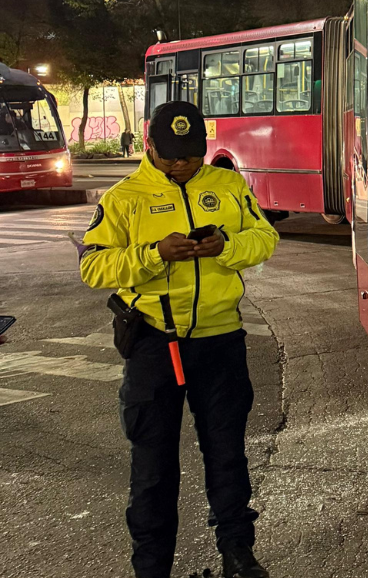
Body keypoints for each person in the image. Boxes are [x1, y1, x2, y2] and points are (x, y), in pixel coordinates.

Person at [80, 101, 279, 578]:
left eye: (189, 156)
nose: (179, 165)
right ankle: (151, 569)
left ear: (203, 149)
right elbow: (93, 266)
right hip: (154, 343)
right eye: (169, 156)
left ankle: (238, 554)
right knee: (153, 468)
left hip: (220, 340)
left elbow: (265, 238)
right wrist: (154, 254)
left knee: (227, 455)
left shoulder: (228, 185)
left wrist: (227, 247)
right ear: (150, 146)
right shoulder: (125, 196)